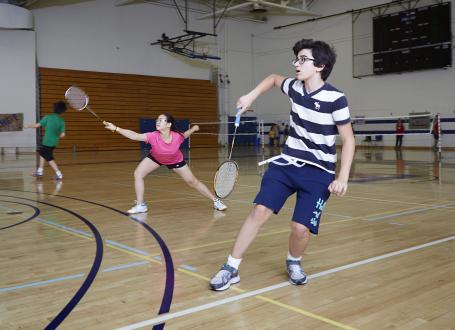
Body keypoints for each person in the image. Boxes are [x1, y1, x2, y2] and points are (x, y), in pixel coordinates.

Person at [209, 38, 355, 291]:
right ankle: (231, 267)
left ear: (320, 65)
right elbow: (275, 78)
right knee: (259, 211)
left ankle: (294, 261)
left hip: (319, 172)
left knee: (300, 228)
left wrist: (342, 177)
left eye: (303, 60)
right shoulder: (295, 87)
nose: (296, 64)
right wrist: (250, 96)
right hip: (286, 164)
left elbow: (348, 139)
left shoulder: (336, 98)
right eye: (296, 59)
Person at [103, 113, 227, 214]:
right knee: (138, 173)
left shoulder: (177, 136)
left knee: (192, 182)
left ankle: (215, 201)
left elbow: (185, 135)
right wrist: (116, 128)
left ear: (168, 124)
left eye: (161, 120)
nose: (158, 121)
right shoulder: (152, 136)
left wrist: (193, 129)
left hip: (175, 160)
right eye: (157, 120)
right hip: (156, 158)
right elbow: (134, 136)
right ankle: (141, 205)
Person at [25, 101, 67, 180]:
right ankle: (40, 171)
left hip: (47, 141)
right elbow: (63, 134)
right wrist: (60, 135)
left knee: (49, 158)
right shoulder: (61, 120)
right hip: (54, 142)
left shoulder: (48, 117)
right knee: (43, 153)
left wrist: (28, 126)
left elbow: (37, 125)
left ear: (54, 108)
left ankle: (59, 174)